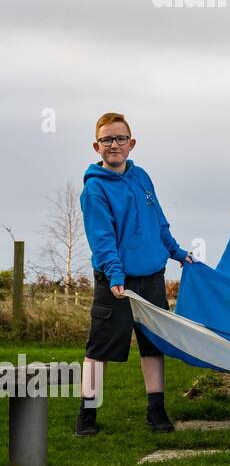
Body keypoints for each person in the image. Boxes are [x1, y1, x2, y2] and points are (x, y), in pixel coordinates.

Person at [76, 113, 194, 436]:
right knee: (99, 348)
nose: (114, 145)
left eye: (120, 138)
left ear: (131, 143)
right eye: (107, 140)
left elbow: (159, 221)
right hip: (115, 283)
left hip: (151, 277)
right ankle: (86, 414)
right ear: (96, 146)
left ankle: (156, 409)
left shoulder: (142, 177)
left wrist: (177, 252)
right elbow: (102, 239)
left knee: (152, 345)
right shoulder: (94, 190)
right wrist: (115, 276)